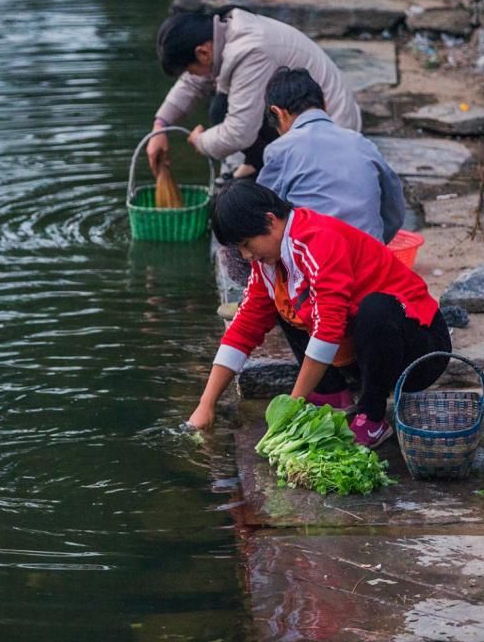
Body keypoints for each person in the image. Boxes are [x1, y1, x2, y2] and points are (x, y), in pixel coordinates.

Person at [186, 181, 451, 447]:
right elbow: (244, 328)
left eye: (246, 244)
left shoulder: (318, 240)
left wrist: (291, 406)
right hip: (366, 356)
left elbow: (328, 328)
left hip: (421, 351)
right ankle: (332, 393)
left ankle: (372, 417)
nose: (246, 256)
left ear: (270, 221)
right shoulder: (269, 266)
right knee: (283, 302)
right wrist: (206, 404)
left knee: (375, 309)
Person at [147, 7, 361, 178]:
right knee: (222, 107)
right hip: (302, 116)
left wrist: (201, 141)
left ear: (203, 52)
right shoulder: (224, 30)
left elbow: (239, 132)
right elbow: (193, 83)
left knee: (220, 111)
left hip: (330, 132)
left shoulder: (250, 51)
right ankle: (258, 163)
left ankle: (270, 168)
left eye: (189, 68)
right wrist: (160, 126)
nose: (191, 75)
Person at [258, 67, 405, 244]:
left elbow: (262, 219)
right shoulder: (361, 143)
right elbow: (394, 211)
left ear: (278, 113)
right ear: (325, 105)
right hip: (371, 262)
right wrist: (375, 247)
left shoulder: (281, 149)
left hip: (319, 264)